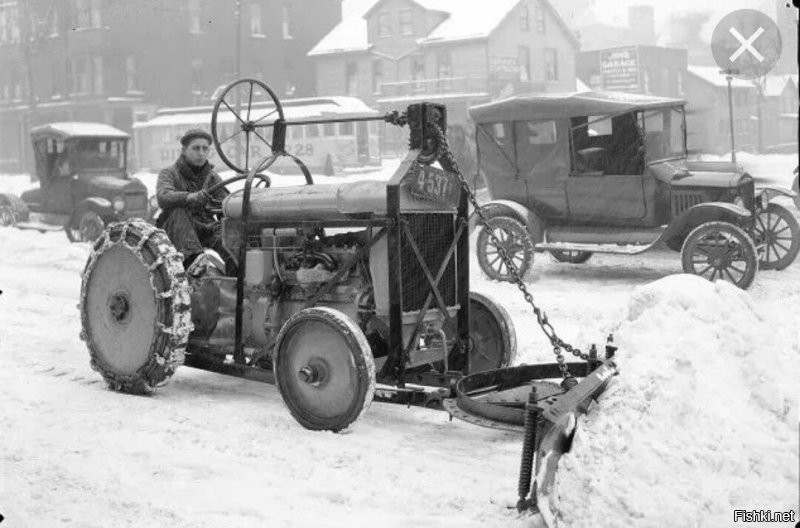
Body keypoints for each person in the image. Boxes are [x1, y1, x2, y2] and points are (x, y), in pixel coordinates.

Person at [156, 128, 232, 272]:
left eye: (205, 149)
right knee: (178, 211)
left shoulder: (213, 178)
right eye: (196, 148)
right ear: (184, 150)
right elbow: (163, 196)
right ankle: (194, 264)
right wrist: (189, 197)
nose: (201, 153)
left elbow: (225, 206)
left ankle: (239, 279)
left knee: (233, 242)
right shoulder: (169, 173)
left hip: (206, 228)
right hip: (176, 229)